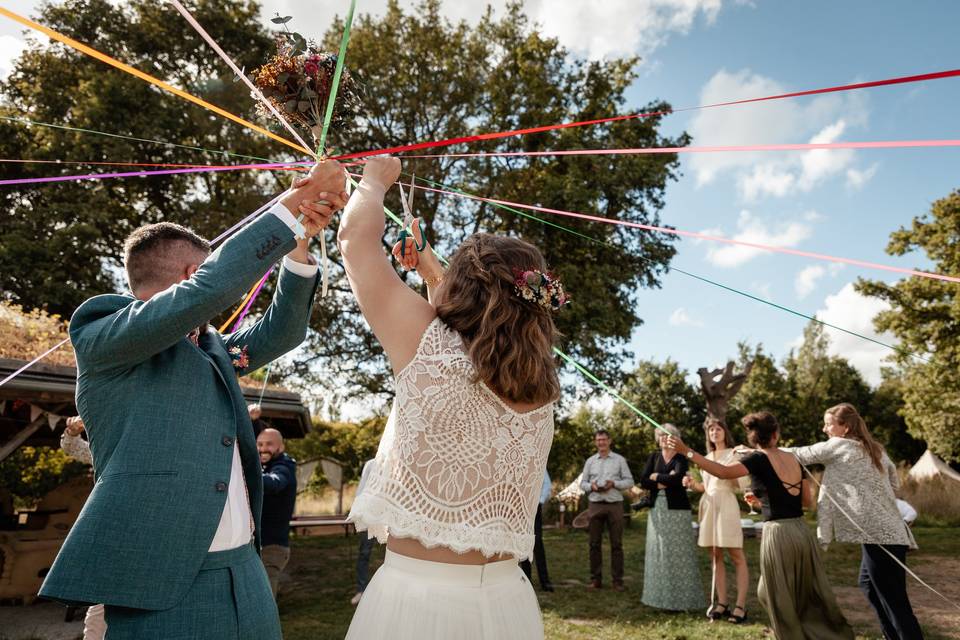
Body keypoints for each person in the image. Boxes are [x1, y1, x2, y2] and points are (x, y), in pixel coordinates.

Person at [38, 160, 347, 640]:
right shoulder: (103, 334)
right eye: (206, 274)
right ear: (190, 274)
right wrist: (288, 211)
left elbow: (282, 331)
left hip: (245, 570)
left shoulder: (212, 349)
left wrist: (299, 244)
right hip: (160, 582)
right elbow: (209, 289)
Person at [340, 156, 559, 639]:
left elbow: (355, 244)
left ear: (466, 288)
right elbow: (481, 330)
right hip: (508, 603)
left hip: (416, 602)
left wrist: (373, 182)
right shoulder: (541, 382)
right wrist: (431, 267)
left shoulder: (426, 343)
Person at [667, 412, 854, 640]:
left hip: (777, 534)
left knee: (777, 594)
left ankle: (791, 635)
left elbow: (722, 472)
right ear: (775, 434)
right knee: (795, 591)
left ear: (755, 438)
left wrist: (686, 450)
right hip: (801, 532)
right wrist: (763, 501)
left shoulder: (757, 459)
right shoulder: (795, 458)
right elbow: (806, 501)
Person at [789, 403, 923, 640]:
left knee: (894, 601)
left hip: (881, 536)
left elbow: (799, 453)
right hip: (886, 532)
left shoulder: (838, 445)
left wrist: (757, 451)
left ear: (845, 427)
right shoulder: (875, 448)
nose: (824, 429)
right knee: (868, 585)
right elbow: (894, 485)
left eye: (829, 424)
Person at [683, 418, 750, 622]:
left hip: (727, 503)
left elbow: (741, 484)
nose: (714, 432)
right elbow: (706, 486)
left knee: (736, 554)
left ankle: (740, 606)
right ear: (708, 435)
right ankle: (722, 603)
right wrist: (693, 484)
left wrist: (740, 459)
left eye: (718, 428)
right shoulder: (706, 457)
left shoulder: (735, 453)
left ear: (725, 431)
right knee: (715, 555)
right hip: (709, 505)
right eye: (711, 429)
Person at [639, 423, 705, 611]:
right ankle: (658, 599)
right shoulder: (654, 457)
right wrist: (662, 481)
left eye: (667, 436)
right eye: (660, 435)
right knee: (658, 552)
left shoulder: (681, 458)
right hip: (656, 511)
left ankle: (681, 601)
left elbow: (678, 480)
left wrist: (656, 477)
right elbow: (643, 480)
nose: (663, 439)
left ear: (674, 439)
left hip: (677, 511)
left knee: (678, 553)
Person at [59, 416, 106, 640]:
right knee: (99, 613)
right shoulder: (106, 451)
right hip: (106, 534)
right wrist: (72, 430)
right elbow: (71, 446)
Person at [580, 429, 634, 591]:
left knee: (616, 544)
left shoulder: (619, 460)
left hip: (614, 504)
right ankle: (596, 579)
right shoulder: (590, 461)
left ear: (609, 441)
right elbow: (583, 483)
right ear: (595, 442)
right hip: (595, 504)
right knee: (594, 544)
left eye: (603, 439)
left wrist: (615, 484)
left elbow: (630, 481)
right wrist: (592, 486)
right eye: (598, 440)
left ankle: (617, 581)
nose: (601, 443)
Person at [258, 427, 298, 599]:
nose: (263, 448)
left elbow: (276, 483)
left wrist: (247, 475)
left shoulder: (284, 466)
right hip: (260, 545)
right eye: (259, 444)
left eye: (269, 444)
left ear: (280, 447)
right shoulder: (264, 466)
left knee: (264, 601)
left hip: (272, 548)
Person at [520, 469, 554, 592]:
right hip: (518, 508)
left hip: (535, 507)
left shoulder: (538, 463)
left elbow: (547, 484)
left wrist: (539, 501)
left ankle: (545, 581)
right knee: (523, 542)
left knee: (537, 542)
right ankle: (526, 580)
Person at [352, 458, 379, 605]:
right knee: (364, 553)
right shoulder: (371, 464)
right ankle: (361, 590)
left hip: (393, 517)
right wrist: (356, 512)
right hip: (370, 515)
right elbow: (362, 488)